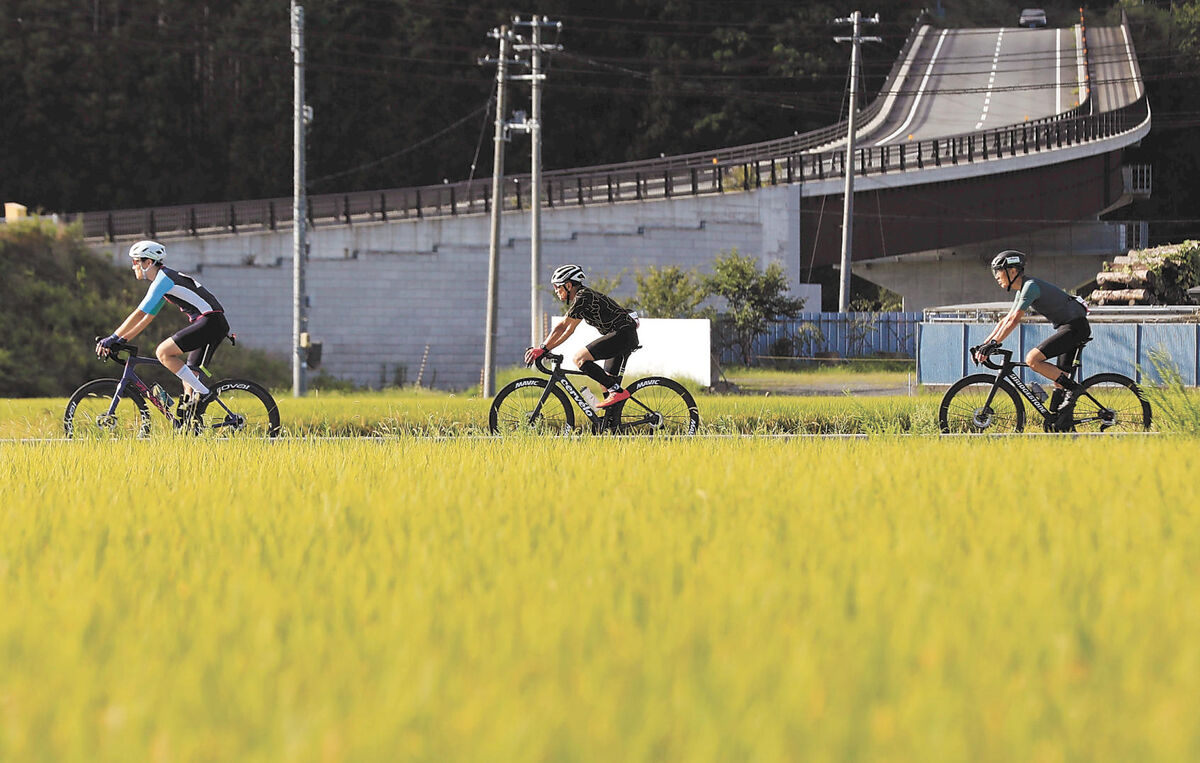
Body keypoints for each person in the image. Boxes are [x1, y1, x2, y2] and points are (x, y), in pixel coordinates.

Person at [96, 240, 229, 410]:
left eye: (136, 261)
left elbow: (139, 313)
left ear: (148, 263)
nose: (133, 266)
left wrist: (112, 338)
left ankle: (204, 394)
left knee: (163, 352)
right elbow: (147, 318)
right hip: (210, 322)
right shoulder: (164, 280)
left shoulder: (163, 280)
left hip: (210, 322)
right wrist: (122, 339)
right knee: (189, 377)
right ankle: (190, 423)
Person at [976, 249, 1090, 428]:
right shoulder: (1022, 290)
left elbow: (1014, 320)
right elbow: (1005, 320)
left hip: (1075, 327)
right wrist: (985, 344)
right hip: (1069, 327)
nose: (996, 276)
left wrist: (993, 344)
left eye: (998, 271)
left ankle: (1075, 391)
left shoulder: (1030, 287)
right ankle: (1062, 426)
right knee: (1059, 383)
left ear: (1013, 271)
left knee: (1032, 359)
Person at [524, 264, 639, 408]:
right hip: (620, 335)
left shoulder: (583, 297)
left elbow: (562, 326)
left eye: (557, 287)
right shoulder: (582, 299)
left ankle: (616, 392)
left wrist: (542, 348)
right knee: (605, 382)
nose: (556, 291)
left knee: (579, 358)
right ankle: (611, 423)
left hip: (622, 335)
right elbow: (569, 330)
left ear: (569, 285)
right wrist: (547, 349)